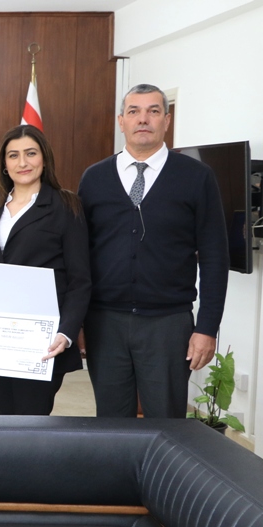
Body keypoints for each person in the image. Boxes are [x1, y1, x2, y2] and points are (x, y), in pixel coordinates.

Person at [78, 83, 228, 419]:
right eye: (134, 111)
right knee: (111, 424)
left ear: (166, 120)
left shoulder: (197, 177)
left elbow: (216, 257)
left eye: (153, 111)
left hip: (168, 325)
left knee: (166, 424)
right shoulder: (94, 178)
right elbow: (79, 255)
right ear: (121, 121)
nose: (143, 119)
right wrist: (77, 320)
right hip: (104, 323)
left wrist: (207, 327)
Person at [0, 124, 91, 415]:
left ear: (44, 158)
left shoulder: (66, 205)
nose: (23, 162)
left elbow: (80, 280)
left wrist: (67, 332)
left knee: (30, 423)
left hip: (42, 339)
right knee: (0, 421)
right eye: (14, 155)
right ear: (4, 164)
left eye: (31, 153)